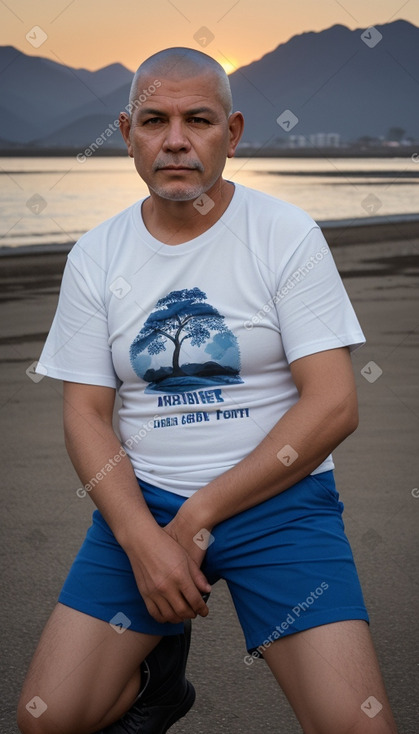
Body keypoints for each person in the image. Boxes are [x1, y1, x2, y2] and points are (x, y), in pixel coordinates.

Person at [17, 47, 398, 734]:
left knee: (356, 725)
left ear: (233, 132)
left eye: (198, 120)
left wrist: (197, 519)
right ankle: (156, 682)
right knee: (48, 718)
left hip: (281, 507)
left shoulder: (284, 235)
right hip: (143, 503)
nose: (175, 140)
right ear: (127, 131)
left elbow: (333, 402)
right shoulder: (97, 255)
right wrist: (142, 536)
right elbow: (84, 414)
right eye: (155, 121)